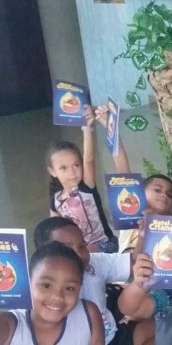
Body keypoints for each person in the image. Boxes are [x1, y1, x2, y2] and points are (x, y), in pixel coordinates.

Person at [33, 217, 154, 345]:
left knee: (162, 331)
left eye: (82, 246)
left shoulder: (94, 263)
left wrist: (143, 235)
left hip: (111, 336)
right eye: (67, 248)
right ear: (44, 254)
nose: (79, 254)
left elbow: (133, 262)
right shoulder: (41, 295)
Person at [47, 105, 128, 253]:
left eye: (76, 165)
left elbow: (88, 159)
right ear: (52, 171)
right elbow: (54, 231)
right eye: (63, 168)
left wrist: (87, 128)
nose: (72, 172)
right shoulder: (55, 201)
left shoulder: (86, 187)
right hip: (79, 251)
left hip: (105, 246)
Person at [118, 173, 172, 253]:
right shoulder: (132, 217)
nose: (164, 195)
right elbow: (125, 177)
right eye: (157, 190)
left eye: (169, 194)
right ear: (142, 191)